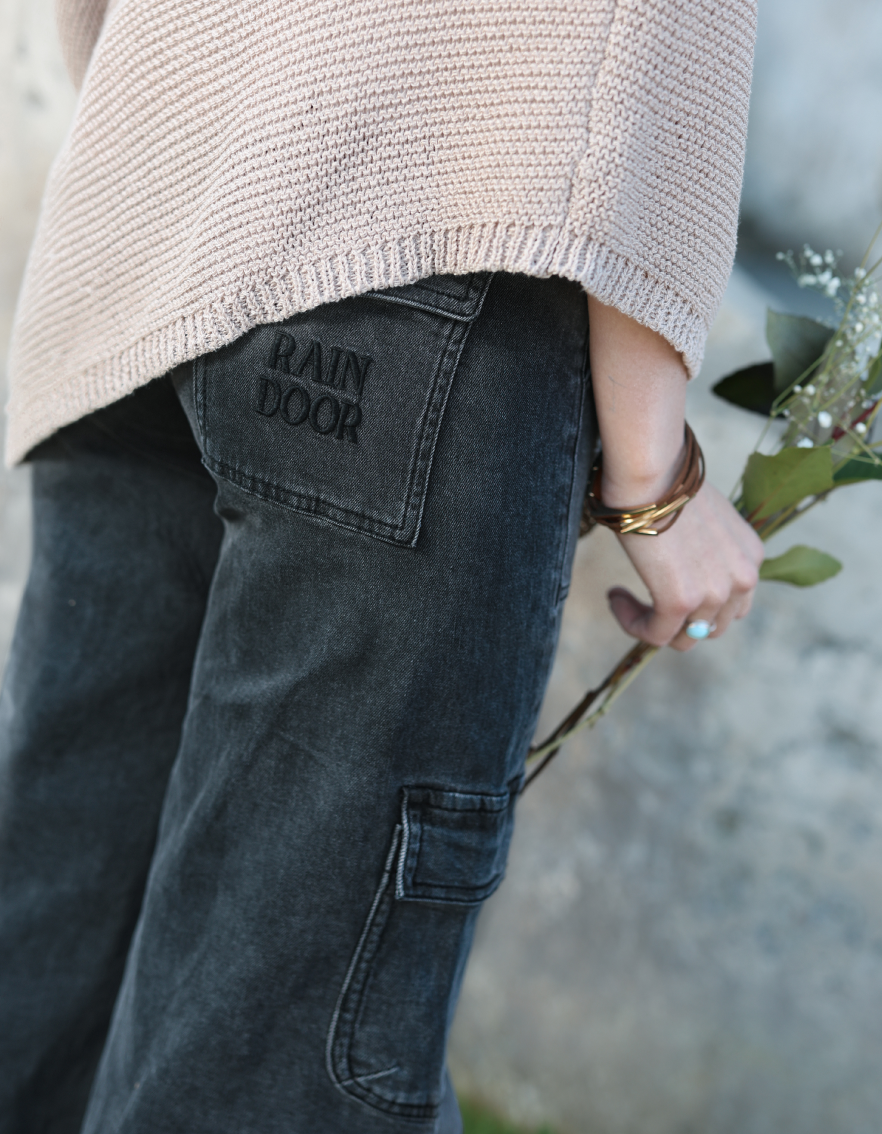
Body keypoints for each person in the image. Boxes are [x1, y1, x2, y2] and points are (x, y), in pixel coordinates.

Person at [0, 1, 763, 1131]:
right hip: (424, 227)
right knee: (273, 1059)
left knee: (58, 939)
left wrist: (191, 117)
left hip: (151, 195)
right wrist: (657, 476)